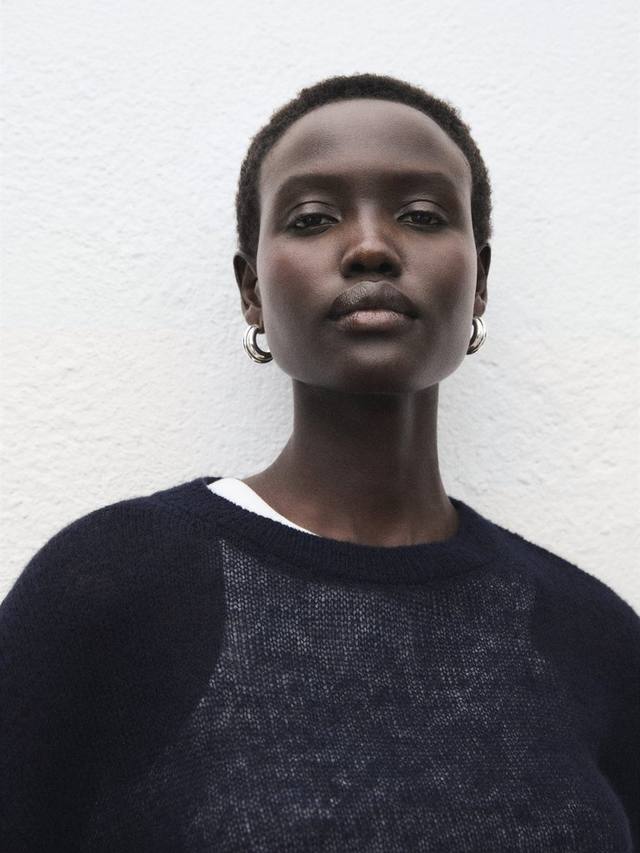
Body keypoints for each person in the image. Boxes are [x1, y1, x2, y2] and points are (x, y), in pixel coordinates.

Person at [1, 73, 638, 852]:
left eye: (422, 215)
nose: (370, 247)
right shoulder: (111, 587)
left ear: (479, 282)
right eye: (312, 218)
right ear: (252, 291)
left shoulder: (595, 637)